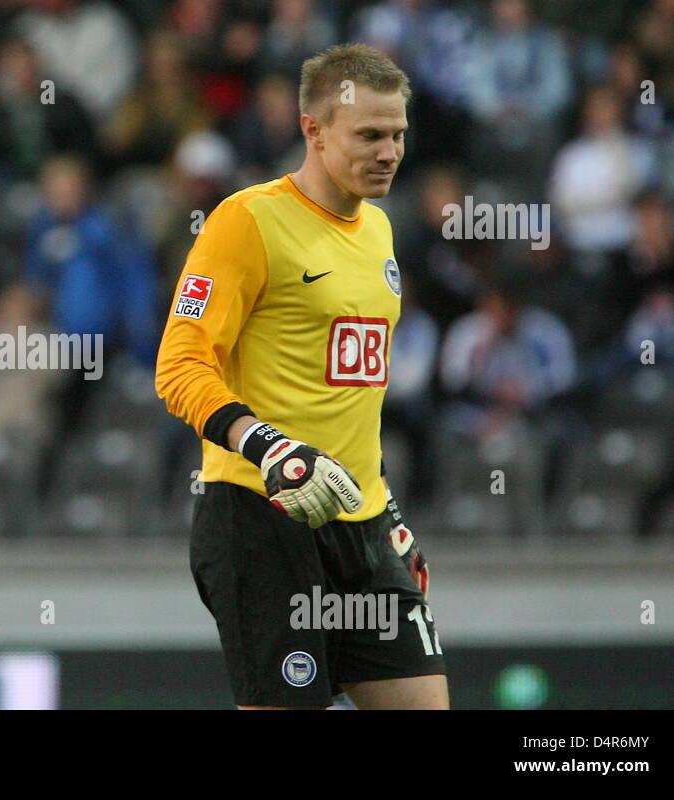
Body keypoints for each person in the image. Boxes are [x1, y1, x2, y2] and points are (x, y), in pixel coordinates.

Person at [155, 43, 445, 710]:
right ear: (312, 129)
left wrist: (392, 521)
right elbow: (178, 363)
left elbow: (350, 401)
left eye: (398, 135)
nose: (389, 152)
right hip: (261, 519)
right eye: (369, 135)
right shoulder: (246, 222)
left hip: (363, 525)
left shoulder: (380, 231)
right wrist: (269, 446)